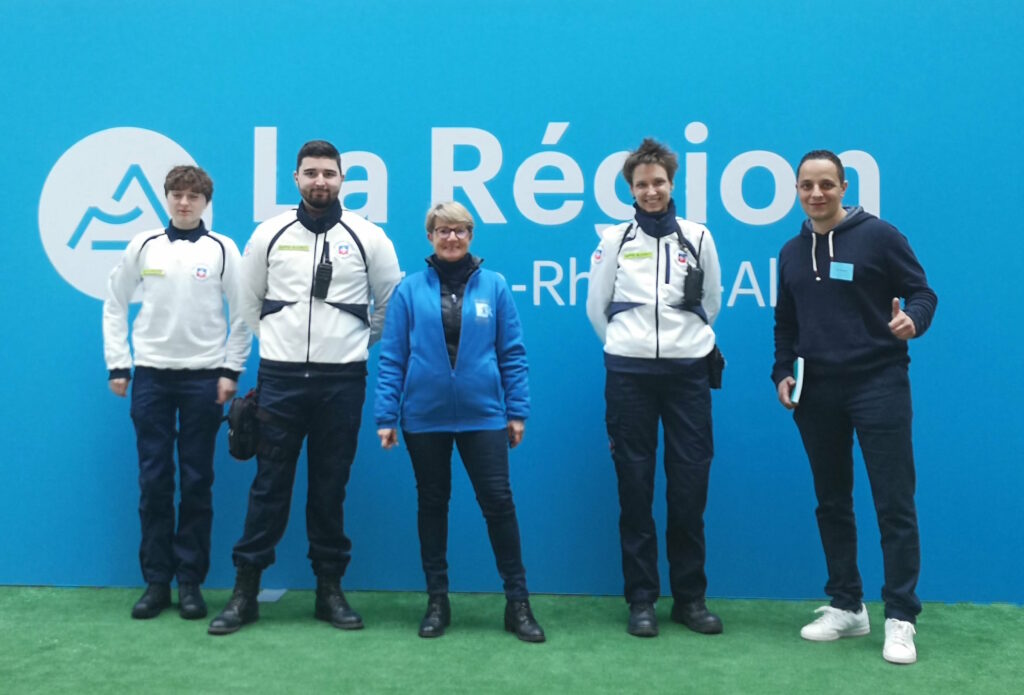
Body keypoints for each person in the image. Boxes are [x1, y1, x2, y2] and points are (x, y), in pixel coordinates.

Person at [208, 140, 401, 635]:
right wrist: (276, 342)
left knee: (330, 488)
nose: (320, 181)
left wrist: (355, 341)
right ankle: (245, 592)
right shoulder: (270, 233)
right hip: (281, 379)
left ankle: (329, 592)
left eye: (329, 173)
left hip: (342, 381)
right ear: (295, 178)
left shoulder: (368, 236)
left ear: (342, 180)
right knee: (268, 487)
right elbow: (248, 302)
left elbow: (390, 305)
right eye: (311, 172)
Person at [772, 150, 937, 665]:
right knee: (832, 501)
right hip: (816, 392)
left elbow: (923, 293)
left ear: (844, 187)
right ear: (797, 190)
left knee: (894, 503)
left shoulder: (881, 237)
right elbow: (786, 325)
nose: (816, 193)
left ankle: (900, 617)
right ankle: (848, 605)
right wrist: (781, 373)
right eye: (806, 185)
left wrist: (913, 319)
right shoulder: (791, 252)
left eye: (826, 184)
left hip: (878, 384)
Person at [374, 202, 545, 643]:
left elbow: (512, 353)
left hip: (483, 415)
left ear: (472, 235)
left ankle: (518, 603)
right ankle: (437, 600)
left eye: (460, 230)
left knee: (499, 503)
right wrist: (386, 414)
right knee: (432, 505)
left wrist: (517, 410)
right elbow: (393, 356)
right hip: (423, 418)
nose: (451, 238)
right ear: (430, 236)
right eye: (443, 230)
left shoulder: (496, 286)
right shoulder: (410, 290)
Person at [586, 138, 723, 638]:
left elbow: (710, 302)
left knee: (689, 491)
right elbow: (597, 307)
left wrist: (685, 344)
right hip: (630, 377)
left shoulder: (699, 237)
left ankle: (691, 599)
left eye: (658, 182)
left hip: (688, 377)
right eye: (641, 184)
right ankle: (641, 599)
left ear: (671, 183)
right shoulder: (614, 240)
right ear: (631, 188)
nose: (651, 191)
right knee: (635, 489)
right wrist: (629, 346)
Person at [103, 165, 251, 620]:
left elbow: (244, 312)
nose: (184, 202)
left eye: (193, 195)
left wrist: (231, 370)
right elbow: (113, 302)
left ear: (206, 201)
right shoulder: (143, 246)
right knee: (153, 480)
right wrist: (118, 363)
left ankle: (190, 583)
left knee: (196, 480)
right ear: (166, 198)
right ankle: (155, 583)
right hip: (151, 376)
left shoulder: (224, 249)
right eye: (176, 195)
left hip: (205, 378)